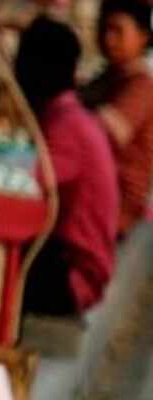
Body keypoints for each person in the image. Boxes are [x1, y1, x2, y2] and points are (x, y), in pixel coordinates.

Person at [15, 17, 119, 316]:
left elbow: (24, 186)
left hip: (75, 276)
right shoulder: (68, 116)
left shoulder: (67, 125)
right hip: (69, 264)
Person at [81, 0, 153, 236]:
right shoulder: (109, 78)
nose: (108, 39)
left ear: (143, 36)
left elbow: (110, 132)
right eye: (105, 29)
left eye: (117, 31)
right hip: (94, 196)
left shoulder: (141, 85)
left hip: (119, 209)